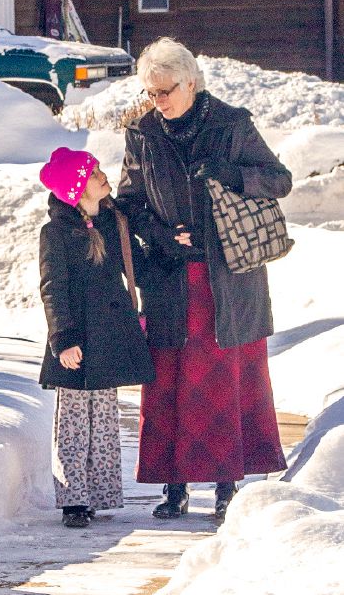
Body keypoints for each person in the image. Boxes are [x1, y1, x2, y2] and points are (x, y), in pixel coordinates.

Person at [114, 37, 291, 521]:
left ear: (191, 82)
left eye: (165, 91)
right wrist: (162, 237)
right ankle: (173, 487)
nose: (158, 101)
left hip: (227, 280)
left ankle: (227, 484)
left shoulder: (232, 125)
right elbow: (129, 201)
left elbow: (278, 180)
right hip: (172, 277)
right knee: (170, 382)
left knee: (223, 381)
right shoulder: (142, 133)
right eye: (150, 93)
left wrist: (228, 173)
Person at [38, 147, 155, 528]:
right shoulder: (55, 232)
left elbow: (137, 265)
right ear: (76, 189)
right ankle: (73, 499)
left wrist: (174, 248)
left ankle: (101, 494)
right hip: (76, 338)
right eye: (93, 173)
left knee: (103, 420)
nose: (102, 175)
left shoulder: (113, 222)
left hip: (110, 337)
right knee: (73, 422)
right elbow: (53, 287)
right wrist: (63, 338)